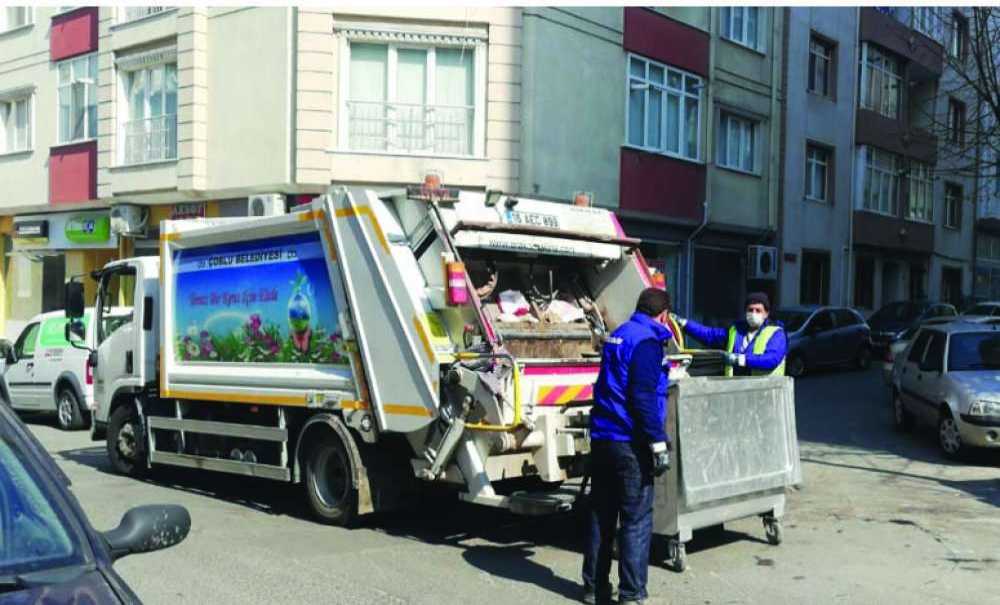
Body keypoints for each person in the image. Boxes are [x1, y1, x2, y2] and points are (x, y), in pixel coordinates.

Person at [582, 287, 672, 605]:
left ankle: (595, 588)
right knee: (635, 520)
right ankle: (631, 595)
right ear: (663, 315)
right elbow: (643, 397)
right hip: (629, 443)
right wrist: (658, 442)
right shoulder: (648, 343)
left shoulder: (620, 334)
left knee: (602, 515)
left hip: (604, 438)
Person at [672, 292, 786, 376]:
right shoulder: (736, 331)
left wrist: (740, 359)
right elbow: (709, 335)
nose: (753, 313)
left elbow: (772, 359)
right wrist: (684, 323)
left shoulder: (776, 333)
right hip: (735, 390)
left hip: (765, 393)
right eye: (750, 310)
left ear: (766, 313)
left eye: (758, 310)